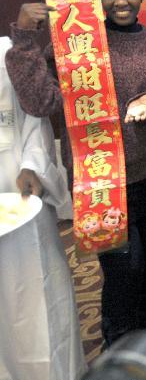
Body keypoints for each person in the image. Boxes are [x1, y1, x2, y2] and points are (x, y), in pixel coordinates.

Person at [6, 0, 146, 348]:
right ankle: (118, 354)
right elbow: (39, 102)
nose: (121, 2)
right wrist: (26, 37)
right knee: (122, 274)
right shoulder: (74, 43)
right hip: (98, 182)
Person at [0, 36, 85, 380]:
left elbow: (35, 118)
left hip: (17, 185)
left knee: (35, 287)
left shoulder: (7, 51)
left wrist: (33, 165)